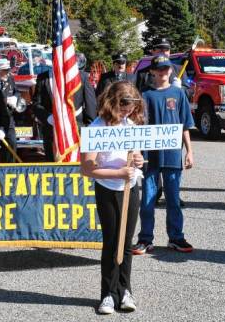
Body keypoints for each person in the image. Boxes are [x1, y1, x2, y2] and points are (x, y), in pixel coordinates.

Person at [80, 81, 145, 315]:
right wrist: (117, 172)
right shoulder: (96, 128)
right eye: (123, 106)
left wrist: (138, 160)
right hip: (108, 188)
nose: (127, 111)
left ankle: (125, 290)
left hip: (130, 188)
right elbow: (87, 168)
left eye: (131, 107)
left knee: (126, 242)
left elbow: (136, 154)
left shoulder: (132, 125)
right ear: (112, 102)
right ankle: (107, 294)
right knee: (111, 242)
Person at [132, 55, 194, 255]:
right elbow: (137, 127)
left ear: (171, 70)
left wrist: (190, 151)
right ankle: (145, 238)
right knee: (148, 199)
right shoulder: (145, 95)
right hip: (150, 156)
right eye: (159, 69)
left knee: (173, 199)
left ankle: (176, 237)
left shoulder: (178, 94)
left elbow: (185, 125)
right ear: (152, 71)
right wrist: (136, 152)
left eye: (166, 69)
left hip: (173, 155)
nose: (163, 72)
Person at [32, 52, 97, 161]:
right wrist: (47, 117)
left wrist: (89, 128)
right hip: (52, 130)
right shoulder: (43, 78)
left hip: (77, 128)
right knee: (53, 165)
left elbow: (91, 104)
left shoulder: (82, 77)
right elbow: (36, 104)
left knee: (77, 165)